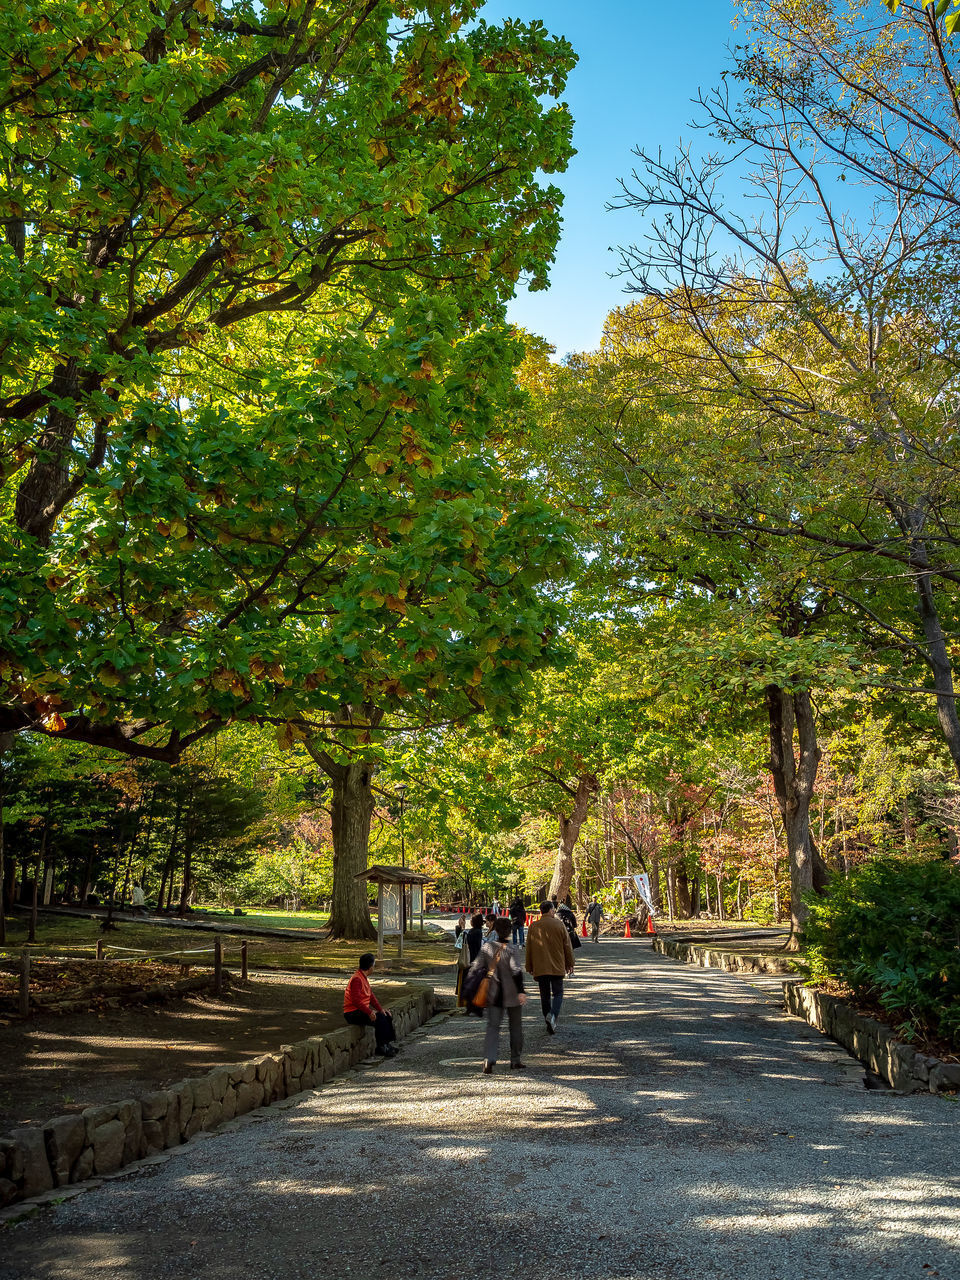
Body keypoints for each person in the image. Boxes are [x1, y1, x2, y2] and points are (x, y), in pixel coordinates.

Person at [474, 917, 526, 1073]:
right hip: (512, 994)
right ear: (510, 931)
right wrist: (521, 991)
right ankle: (515, 1060)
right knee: (515, 1027)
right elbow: (516, 970)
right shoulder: (512, 949)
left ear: (495, 930)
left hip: (493, 993)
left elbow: (476, 967)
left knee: (492, 1027)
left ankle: (488, 1059)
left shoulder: (487, 947)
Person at [525, 901, 574, 1035]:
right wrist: (570, 963)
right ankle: (553, 1015)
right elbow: (567, 946)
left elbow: (529, 947)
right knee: (558, 993)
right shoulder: (559, 924)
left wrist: (529, 965)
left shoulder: (533, 926)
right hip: (557, 964)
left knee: (544, 995)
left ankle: (548, 1021)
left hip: (540, 966)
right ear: (551, 910)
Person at [344, 953, 398, 1056]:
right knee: (380, 1018)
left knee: (385, 1015)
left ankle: (387, 1044)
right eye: (373, 965)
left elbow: (371, 997)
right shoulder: (357, 979)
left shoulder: (363, 977)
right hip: (352, 1013)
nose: (374, 967)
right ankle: (381, 1047)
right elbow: (356, 1000)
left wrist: (381, 1009)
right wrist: (369, 1012)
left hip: (360, 1011)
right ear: (370, 967)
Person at [459, 913, 487, 1014]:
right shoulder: (476, 931)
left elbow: (465, 940)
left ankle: (472, 1007)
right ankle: (471, 1007)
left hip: (472, 961)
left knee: (470, 986)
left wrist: (462, 928)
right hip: (474, 961)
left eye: (471, 920)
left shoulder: (476, 932)